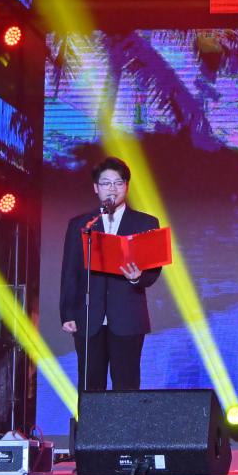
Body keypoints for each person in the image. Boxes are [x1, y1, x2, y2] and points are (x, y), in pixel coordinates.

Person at [59, 157, 163, 392]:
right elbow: (70, 271)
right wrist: (67, 313)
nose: (112, 188)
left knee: (126, 387)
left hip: (128, 318)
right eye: (106, 183)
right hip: (88, 318)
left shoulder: (145, 222)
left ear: (126, 186)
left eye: (118, 182)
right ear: (96, 188)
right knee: (90, 386)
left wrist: (137, 276)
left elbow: (153, 271)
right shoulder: (82, 224)